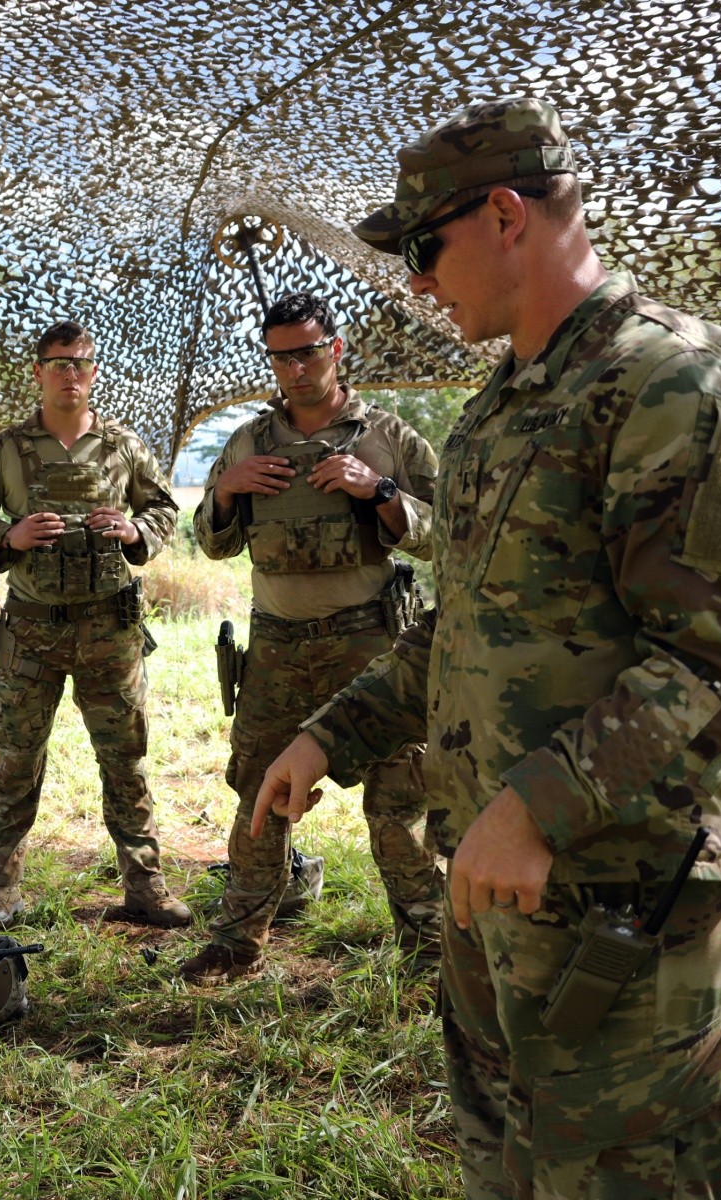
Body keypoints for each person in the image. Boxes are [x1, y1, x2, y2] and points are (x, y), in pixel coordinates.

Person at [253, 98, 721, 1198]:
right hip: (500, 901)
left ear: (505, 213)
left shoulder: (672, 385)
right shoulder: (497, 410)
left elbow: (718, 669)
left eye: (423, 247)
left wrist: (539, 806)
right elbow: (467, 626)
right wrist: (328, 734)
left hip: (625, 911)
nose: (414, 280)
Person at [180, 290, 445, 980]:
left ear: (335, 349)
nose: (293, 368)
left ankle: (430, 946)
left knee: (400, 797)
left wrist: (379, 491)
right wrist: (229, 490)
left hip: (373, 645)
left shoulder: (388, 438)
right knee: (261, 794)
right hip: (278, 648)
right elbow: (210, 544)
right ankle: (239, 941)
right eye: (279, 357)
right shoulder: (247, 443)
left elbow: (453, 534)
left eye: (306, 352)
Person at [0, 321, 190, 930]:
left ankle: (145, 886)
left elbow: (163, 508)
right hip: (32, 632)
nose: (69, 373)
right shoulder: (6, 449)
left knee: (125, 760)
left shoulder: (122, 445)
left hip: (110, 629)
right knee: (15, 764)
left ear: (94, 370)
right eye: (57, 363)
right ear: (38, 372)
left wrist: (138, 531)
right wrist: (8, 535)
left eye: (80, 362)